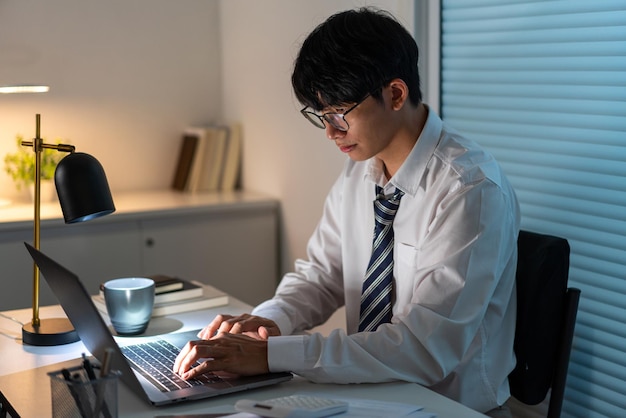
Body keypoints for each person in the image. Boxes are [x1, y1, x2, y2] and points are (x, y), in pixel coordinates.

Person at [174, 7, 520, 417]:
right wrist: (266, 324)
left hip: (447, 405)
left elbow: (424, 349)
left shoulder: (469, 190)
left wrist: (273, 355)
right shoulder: (360, 168)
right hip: (370, 392)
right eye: (320, 115)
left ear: (395, 94)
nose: (330, 132)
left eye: (340, 113)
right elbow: (323, 275)